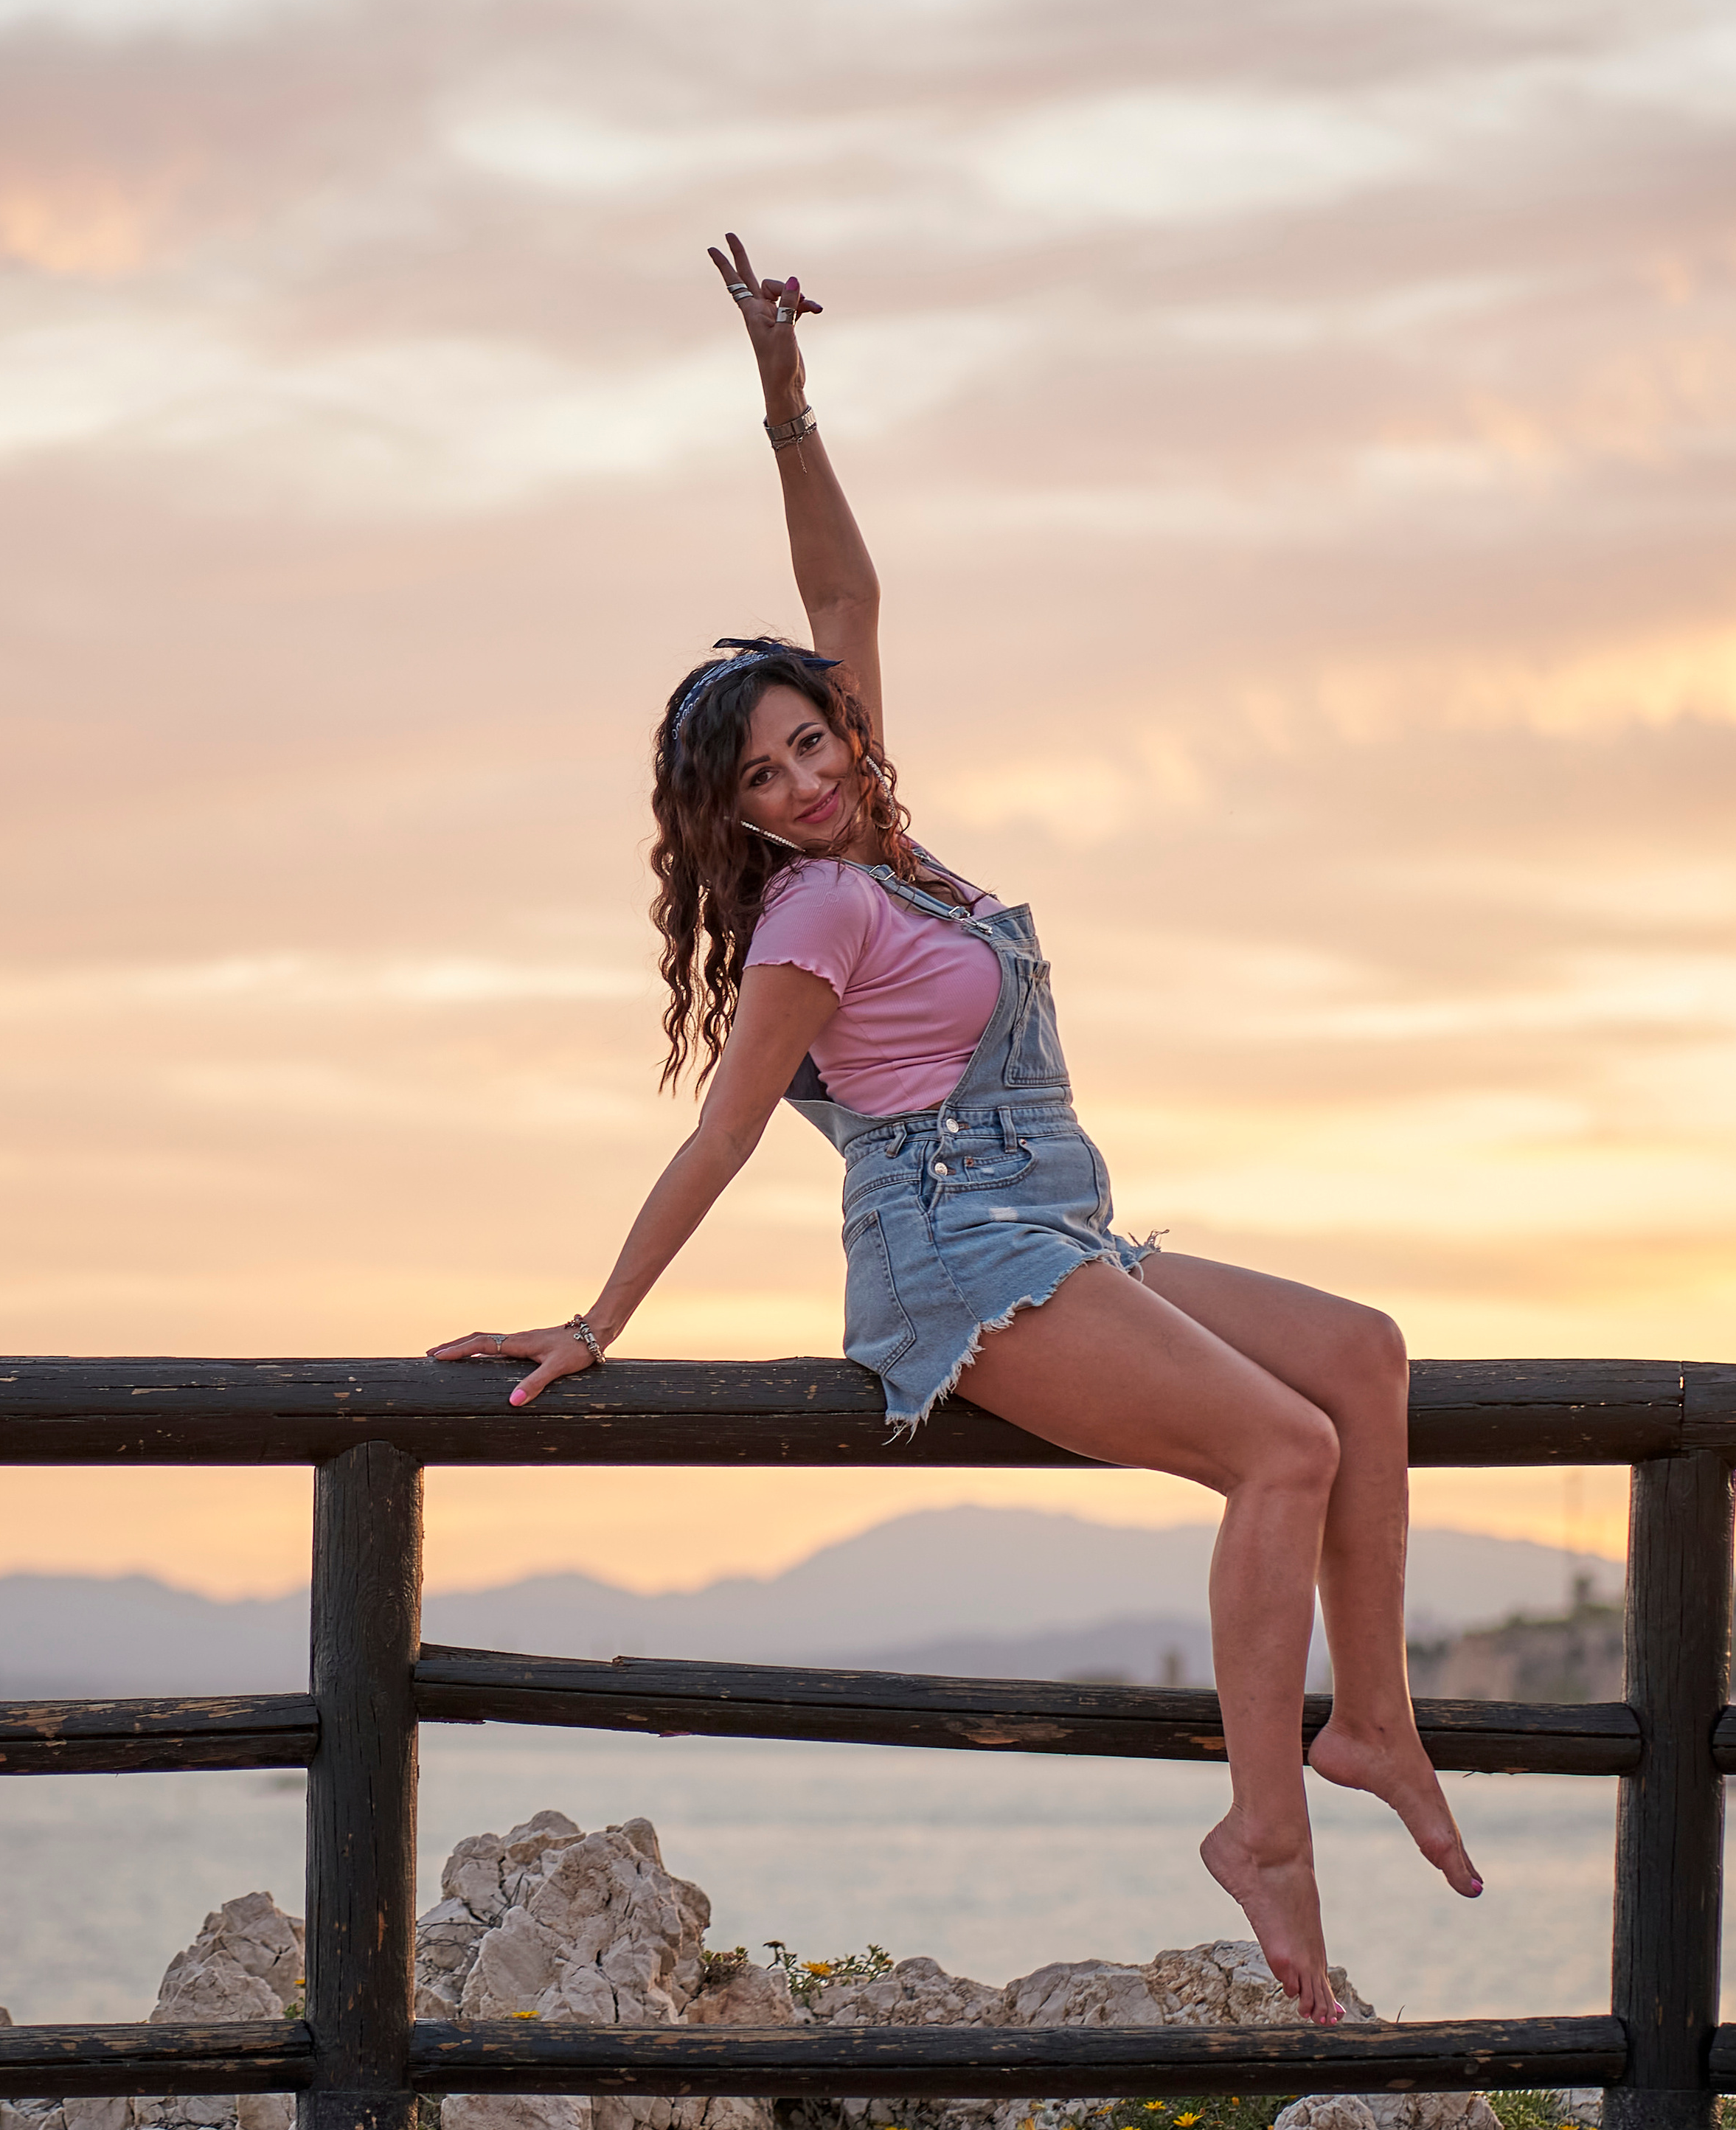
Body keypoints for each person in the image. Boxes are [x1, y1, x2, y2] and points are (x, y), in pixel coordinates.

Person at [428, 232, 1482, 2024]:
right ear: (736, 823)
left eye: (804, 747)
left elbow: (846, 597)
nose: (802, 780)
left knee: (1361, 1357)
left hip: (1058, 1229)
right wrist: (597, 1320)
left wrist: (783, 406)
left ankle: (1366, 1717)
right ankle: (1259, 1833)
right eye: (760, 782)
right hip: (954, 1261)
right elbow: (724, 1136)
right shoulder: (812, 919)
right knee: (1279, 1451)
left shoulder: (888, 849)